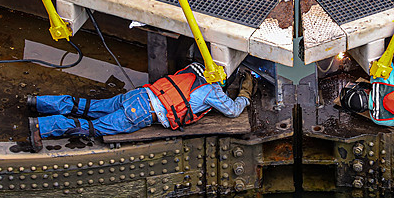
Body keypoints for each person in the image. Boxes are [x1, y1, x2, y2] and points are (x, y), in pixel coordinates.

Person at [27, 63, 254, 151]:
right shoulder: (213, 91)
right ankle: (42, 127)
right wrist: (245, 94)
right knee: (93, 127)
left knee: (89, 106)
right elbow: (232, 111)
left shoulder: (194, 68)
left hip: (139, 95)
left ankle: (39, 102)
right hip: (142, 113)